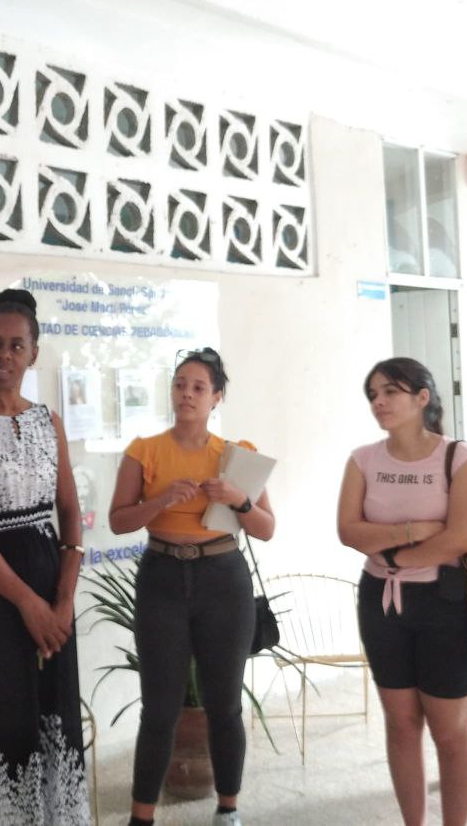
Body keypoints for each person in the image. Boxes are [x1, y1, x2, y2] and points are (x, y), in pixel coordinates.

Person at [0, 289, 90, 825]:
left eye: (17, 345)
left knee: (53, 718)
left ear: (34, 353)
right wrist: (28, 604)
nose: (5, 355)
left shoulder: (50, 421)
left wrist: (63, 599)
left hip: (52, 581)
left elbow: (71, 511)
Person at [109, 347, 276, 826]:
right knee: (159, 707)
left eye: (199, 387)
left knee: (223, 704)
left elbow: (266, 527)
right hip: (161, 578)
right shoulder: (145, 450)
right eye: (181, 384)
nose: (187, 393)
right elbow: (119, 521)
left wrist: (239, 499)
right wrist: (161, 500)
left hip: (223, 579)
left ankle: (228, 810)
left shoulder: (234, 455)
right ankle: (142, 817)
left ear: (216, 397)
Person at [336, 358, 467, 826]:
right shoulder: (362, 459)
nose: (379, 402)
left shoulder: (457, 457)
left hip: (447, 601)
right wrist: (413, 529)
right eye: (373, 394)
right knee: (400, 725)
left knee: (449, 732)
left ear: (422, 398)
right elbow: (349, 531)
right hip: (380, 602)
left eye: (390, 392)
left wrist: (392, 553)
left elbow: (461, 538)